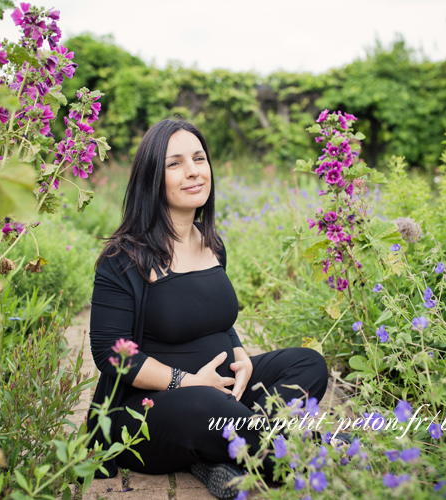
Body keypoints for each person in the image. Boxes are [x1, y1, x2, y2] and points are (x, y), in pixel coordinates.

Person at [87, 119, 329, 499]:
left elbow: (218, 321)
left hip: (221, 392)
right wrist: (188, 382)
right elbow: (110, 356)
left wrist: (240, 354)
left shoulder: (212, 244)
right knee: (205, 405)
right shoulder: (123, 259)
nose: (193, 171)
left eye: (199, 158)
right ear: (152, 177)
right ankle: (310, 448)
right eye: (176, 163)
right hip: (149, 411)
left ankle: (225, 455)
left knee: (308, 364)